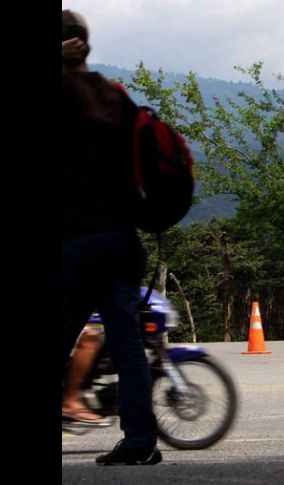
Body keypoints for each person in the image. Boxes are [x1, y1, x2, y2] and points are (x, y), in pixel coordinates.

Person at [62, 10, 161, 466]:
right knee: (127, 346)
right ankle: (140, 442)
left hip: (77, 241)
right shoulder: (114, 96)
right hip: (120, 241)